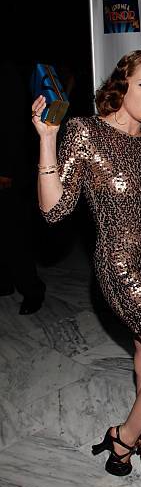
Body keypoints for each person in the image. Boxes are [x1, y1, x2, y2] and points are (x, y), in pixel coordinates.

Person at [32, 49, 141, 477]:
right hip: (121, 268)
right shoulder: (84, 132)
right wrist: (47, 138)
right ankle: (125, 435)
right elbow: (54, 211)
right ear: (121, 86)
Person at [0, 56, 46, 314]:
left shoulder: (5, 70)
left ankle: (32, 290)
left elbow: (12, 123)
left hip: (7, 171)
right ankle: (4, 282)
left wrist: (5, 169)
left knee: (14, 234)